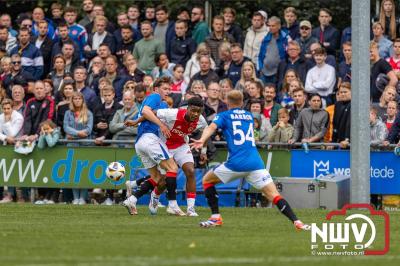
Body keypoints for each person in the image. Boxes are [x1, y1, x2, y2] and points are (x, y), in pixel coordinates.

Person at [189, 90, 310, 230]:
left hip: (236, 163)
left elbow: (211, 127)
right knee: (274, 195)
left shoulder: (224, 115)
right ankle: (297, 222)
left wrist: (202, 139)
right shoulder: (248, 116)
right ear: (241, 103)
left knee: (207, 181)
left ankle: (216, 217)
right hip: (255, 163)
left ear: (227, 102)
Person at [122, 77, 179, 215]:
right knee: (172, 168)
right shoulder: (155, 97)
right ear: (156, 89)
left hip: (141, 142)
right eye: (164, 88)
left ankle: (133, 199)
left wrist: (136, 121)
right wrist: (161, 125)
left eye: (169, 89)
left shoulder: (163, 104)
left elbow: (148, 114)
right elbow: (146, 111)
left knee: (157, 178)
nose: (167, 91)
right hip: (150, 139)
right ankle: (172, 204)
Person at [143, 97, 208, 216]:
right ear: (187, 108)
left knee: (190, 171)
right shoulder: (173, 113)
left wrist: (203, 150)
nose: (195, 114)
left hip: (181, 145)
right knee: (164, 181)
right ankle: (155, 194)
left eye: (198, 112)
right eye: (193, 110)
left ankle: (191, 209)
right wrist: (137, 122)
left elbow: (207, 130)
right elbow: (151, 113)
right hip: (164, 146)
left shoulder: (201, 121)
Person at [63, 92, 93, 204]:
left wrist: (74, 134)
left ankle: (83, 198)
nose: (77, 100)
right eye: (74, 98)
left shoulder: (88, 113)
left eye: (79, 98)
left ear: (82, 100)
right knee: (73, 171)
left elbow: (89, 129)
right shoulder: (68, 113)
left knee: (84, 171)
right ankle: (76, 198)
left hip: (85, 145)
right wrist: (78, 133)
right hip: (72, 146)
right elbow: (66, 127)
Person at [258, 16, 290, 84]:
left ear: (279, 26)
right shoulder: (266, 38)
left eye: (273, 26)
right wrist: (260, 68)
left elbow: (287, 54)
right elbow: (260, 55)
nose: (271, 28)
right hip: (264, 72)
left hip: (278, 72)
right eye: (269, 26)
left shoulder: (285, 38)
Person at [332, 82, 352, 149]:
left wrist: (347, 139)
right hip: (339, 142)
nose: (343, 94)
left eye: (345, 92)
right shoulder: (337, 104)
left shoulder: (354, 104)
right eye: (341, 92)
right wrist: (333, 142)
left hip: (351, 142)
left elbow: (350, 124)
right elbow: (335, 124)